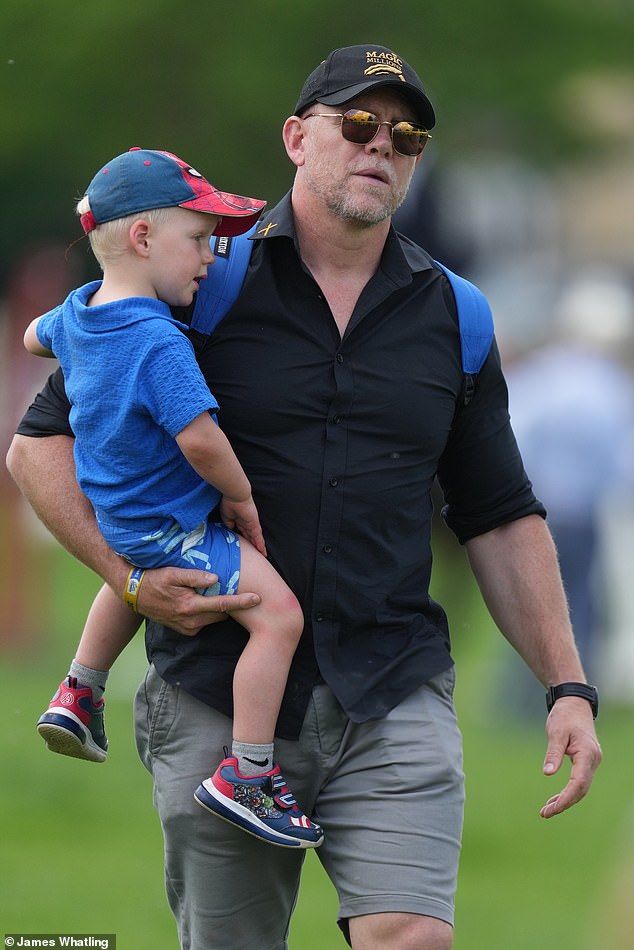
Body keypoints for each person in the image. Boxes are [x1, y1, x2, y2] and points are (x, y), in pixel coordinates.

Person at [7, 44, 602, 950]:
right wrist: (129, 578)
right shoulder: (195, 278)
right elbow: (38, 449)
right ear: (296, 138)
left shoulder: (459, 316)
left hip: (393, 688)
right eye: (358, 124)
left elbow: (500, 513)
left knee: (415, 937)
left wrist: (567, 683)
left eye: (406, 135)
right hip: (213, 695)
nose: (382, 146)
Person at [21, 146, 323, 850]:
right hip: (173, 528)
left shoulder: (77, 314)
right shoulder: (159, 341)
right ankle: (247, 773)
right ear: (143, 238)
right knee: (279, 619)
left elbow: (37, 339)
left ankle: (79, 689)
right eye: (199, 240)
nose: (211, 259)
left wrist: (76, 348)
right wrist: (241, 496)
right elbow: (200, 441)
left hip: (119, 522)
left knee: (121, 582)